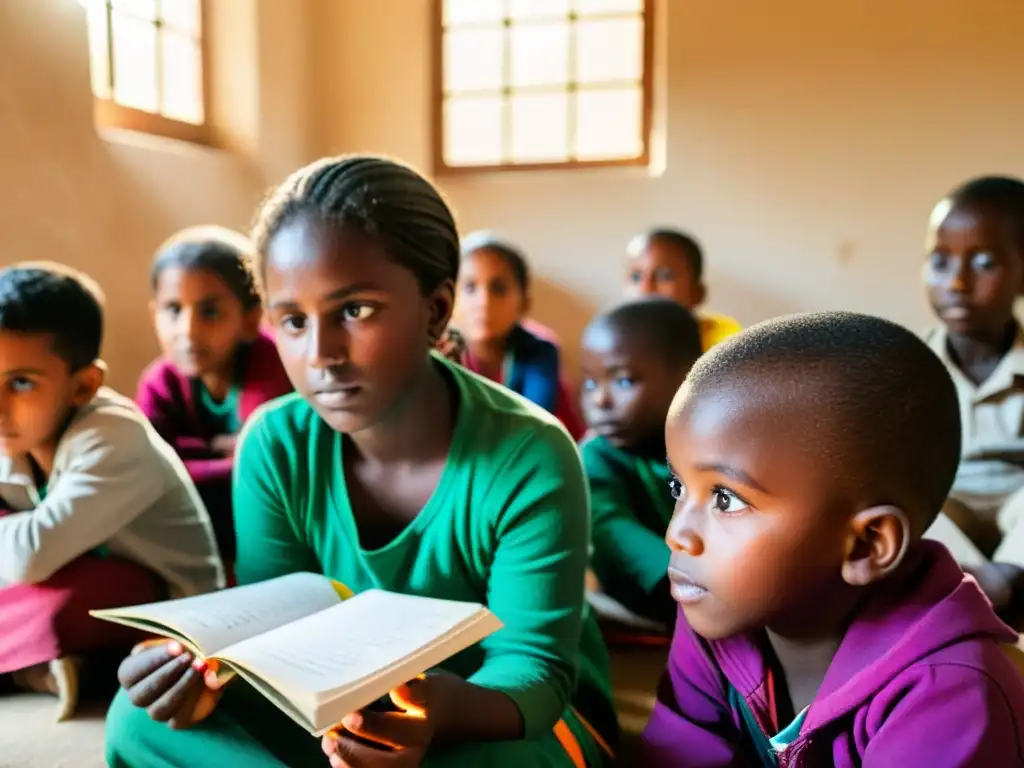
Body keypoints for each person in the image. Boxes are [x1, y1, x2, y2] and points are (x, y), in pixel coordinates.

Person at [105, 155, 618, 768]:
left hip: (497, 711)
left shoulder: (529, 453)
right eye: (293, 320)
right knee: (137, 719)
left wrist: (432, 714)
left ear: (434, 310)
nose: (321, 354)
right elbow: (276, 633)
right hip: (340, 706)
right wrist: (197, 676)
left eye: (354, 310)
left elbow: (532, 667)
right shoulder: (275, 442)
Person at [640, 311, 1024, 766]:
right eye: (678, 487)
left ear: (866, 545)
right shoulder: (717, 623)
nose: (677, 533)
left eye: (725, 499)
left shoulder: (950, 694)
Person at [0, 263, 223, 720]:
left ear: (83, 385)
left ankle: (37, 669)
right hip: (77, 573)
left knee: (74, 594)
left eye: (21, 382)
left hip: (168, 608)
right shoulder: (17, 433)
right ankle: (39, 671)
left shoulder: (115, 437)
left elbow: (28, 557)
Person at [137, 227, 292, 565]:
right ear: (154, 315)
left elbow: (266, 470)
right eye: (173, 310)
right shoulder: (160, 381)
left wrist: (182, 456)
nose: (187, 331)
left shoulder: (272, 365)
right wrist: (215, 453)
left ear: (251, 319)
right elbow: (142, 469)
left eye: (210, 312)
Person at [920, 176, 1024, 624]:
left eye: (983, 262)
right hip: (948, 508)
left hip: (1019, 511)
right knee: (903, 500)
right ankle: (971, 589)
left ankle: (1003, 582)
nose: (957, 282)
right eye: (940, 262)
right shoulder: (908, 369)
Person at [579, 299, 703, 629]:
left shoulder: (711, 444)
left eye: (623, 381)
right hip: (647, 601)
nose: (599, 400)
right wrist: (703, 582)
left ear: (688, 377)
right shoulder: (597, 457)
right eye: (590, 382)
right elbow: (611, 528)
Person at [453, 231, 585, 438]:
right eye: (470, 288)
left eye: (498, 289)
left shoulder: (540, 351)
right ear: (450, 298)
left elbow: (533, 421)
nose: (484, 302)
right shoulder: (439, 352)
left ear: (524, 303)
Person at [624, 228, 741, 350]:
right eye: (636, 277)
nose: (645, 288)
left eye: (665, 276)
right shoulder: (613, 339)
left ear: (697, 293)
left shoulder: (724, 339)